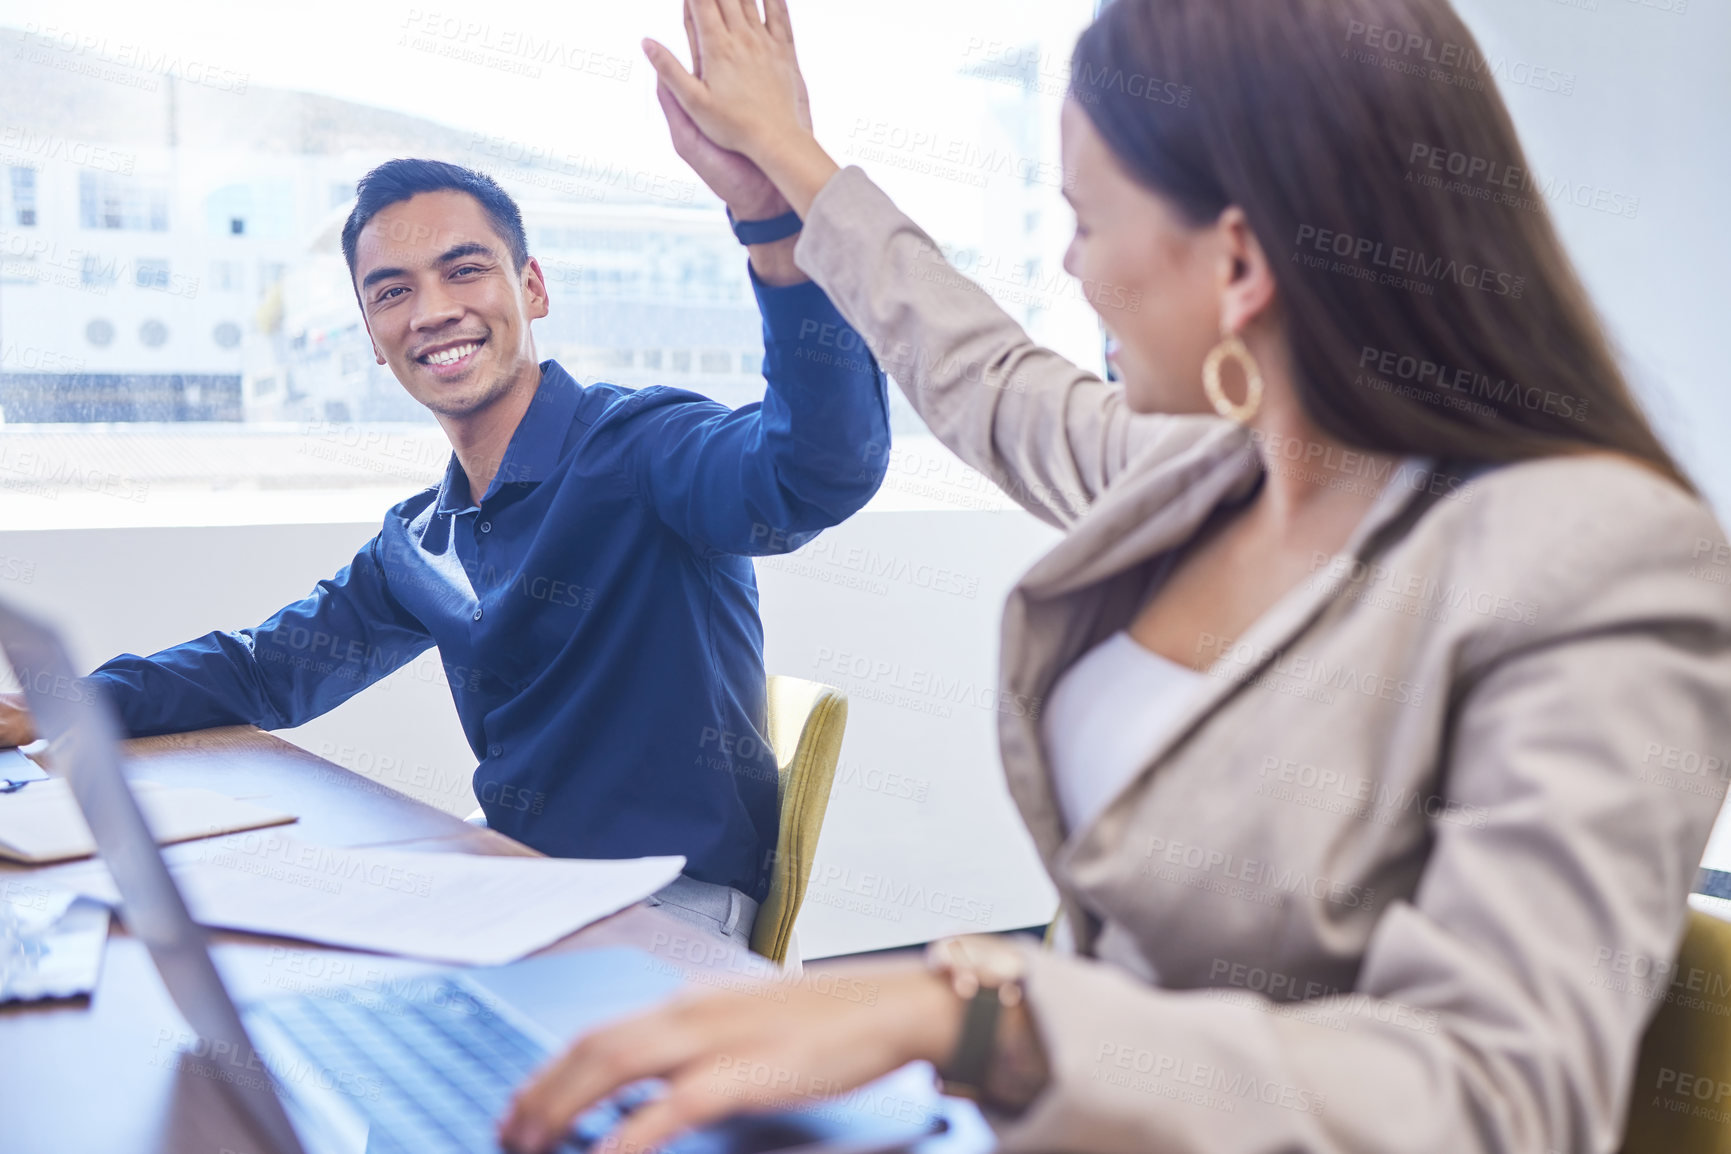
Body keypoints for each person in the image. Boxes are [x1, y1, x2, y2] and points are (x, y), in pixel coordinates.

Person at [498, 0, 1731, 1150]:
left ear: (1237, 263)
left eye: (1086, 222)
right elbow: (984, 374)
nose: (1076, 271)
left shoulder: (1594, 554)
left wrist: (977, 1012)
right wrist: (787, 185)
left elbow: (1490, 1092)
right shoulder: (1212, 471)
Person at [0, 156, 892, 945]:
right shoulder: (423, 538)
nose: (431, 311)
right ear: (373, 337)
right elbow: (269, 670)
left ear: (532, 288)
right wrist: (59, 702)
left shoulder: (645, 448)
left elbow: (814, 472)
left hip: (668, 910)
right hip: (517, 877)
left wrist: (778, 232)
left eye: (463, 270)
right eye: (391, 291)